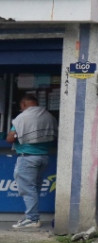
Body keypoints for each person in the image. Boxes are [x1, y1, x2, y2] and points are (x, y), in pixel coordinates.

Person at [6, 94, 57, 230]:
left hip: (27, 158)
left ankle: (32, 219)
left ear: (23, 104)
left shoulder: (22, 118)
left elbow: (10, 139)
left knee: (28, 189)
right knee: (34, 189)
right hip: (44, 158)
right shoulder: (48, 116)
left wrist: (15, 135)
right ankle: (31, 215)